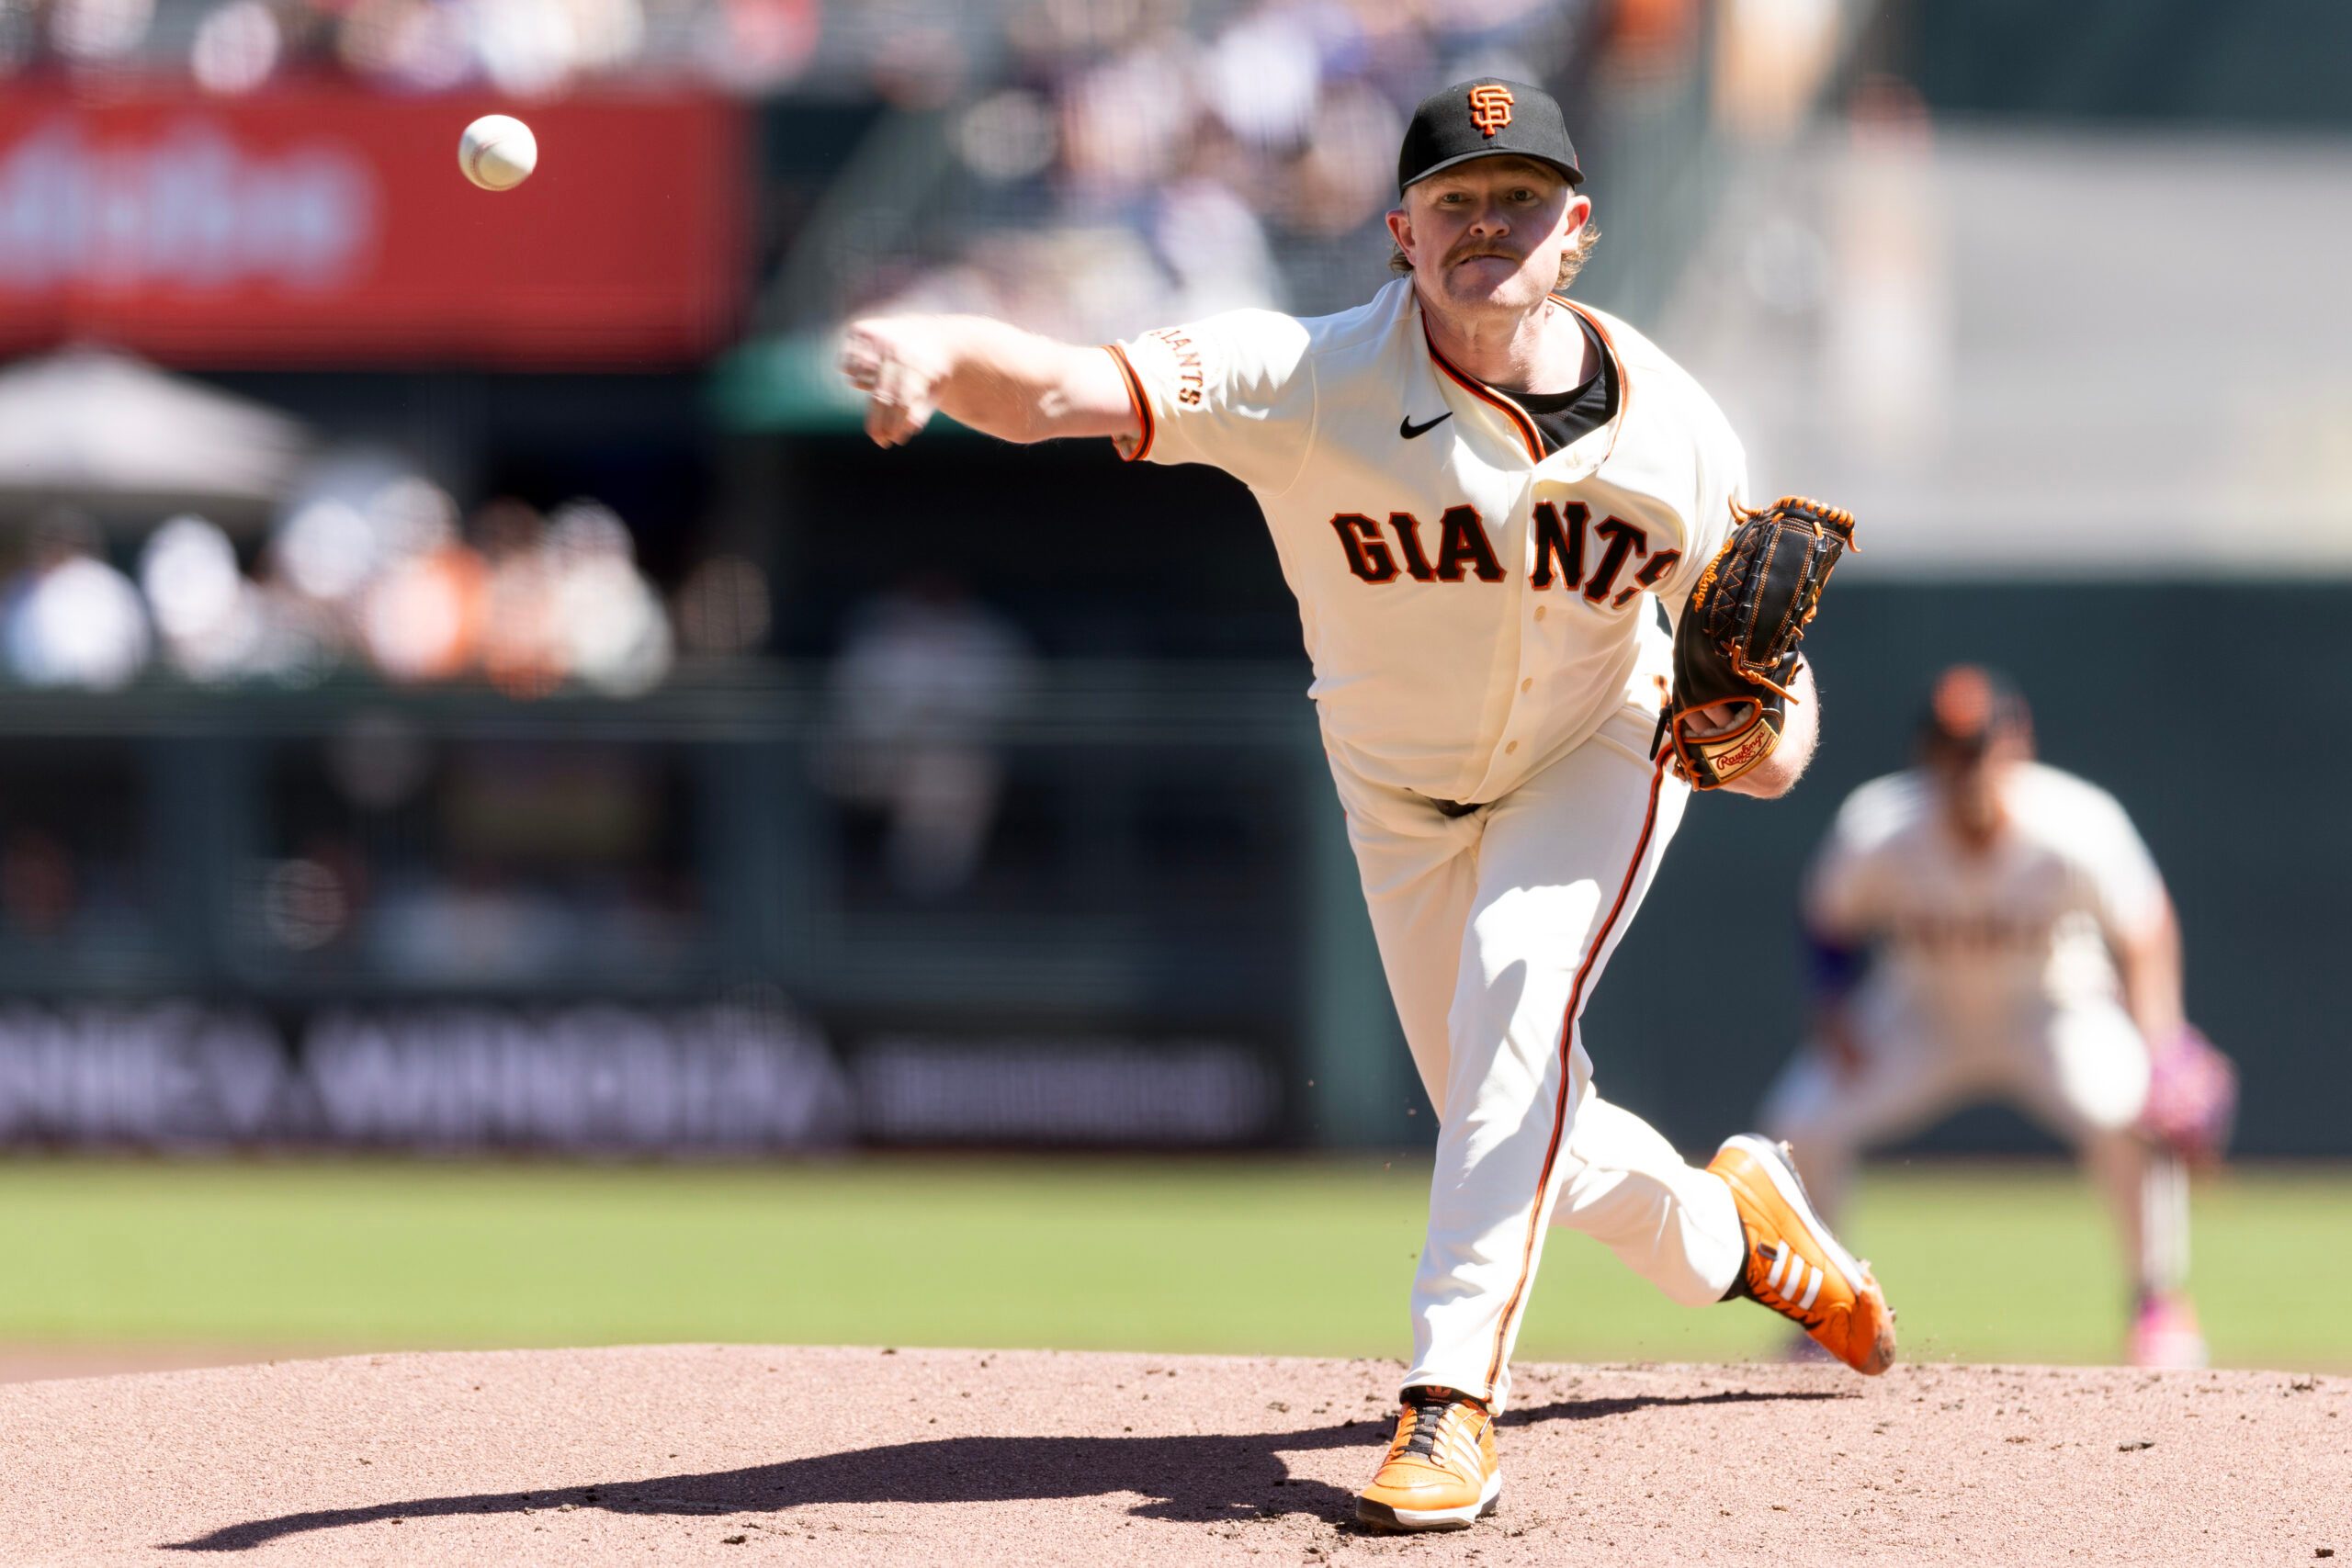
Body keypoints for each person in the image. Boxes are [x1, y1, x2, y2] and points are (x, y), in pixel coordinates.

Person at [840, 77, 1894, 1534]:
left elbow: (1779, 706)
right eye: (1455, 201)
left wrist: (1760, 738)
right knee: (1515, 1116)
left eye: (1518, 199)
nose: (1486, 226)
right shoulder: (1309, 377)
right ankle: (1740, 1232)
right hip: (1397, 788)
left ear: (1576, 229)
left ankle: (1451, 1397)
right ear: (1399, 230)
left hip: (1598, 748)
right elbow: (1064, 390)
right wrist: (941, 344)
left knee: (1524, 999)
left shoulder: (1677, 434)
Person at [1758, 665, 2212, 1369]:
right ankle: (1823, 1312)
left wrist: (2164, 1040)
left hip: (2051, 1007)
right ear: (1928, 755)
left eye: (1982, 746)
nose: (1970, 766)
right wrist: (1834, 1012)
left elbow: (2146, 929)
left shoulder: (2075, 822)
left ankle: (2158, 1300)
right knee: (1800, 1120)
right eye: (1953, 748)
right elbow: (1829, 925)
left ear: (2017, 743)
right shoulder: (1881, 823)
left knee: (2134, 1111)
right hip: (1920, 1010)